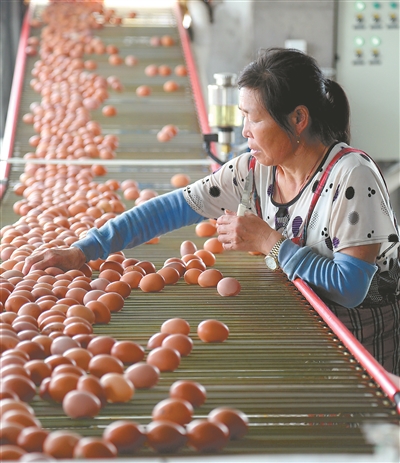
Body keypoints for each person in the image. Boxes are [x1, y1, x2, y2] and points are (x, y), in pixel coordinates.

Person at [22, 48, 400, 375]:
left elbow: (349, 288)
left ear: (298, 119)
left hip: (359, 343)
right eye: (242, 116)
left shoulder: (352, 176)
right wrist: (85, 249)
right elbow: (171, 208)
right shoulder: (255, 169)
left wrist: (270, 242)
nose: (244, 131)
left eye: (254, 118)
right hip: (304, 324)